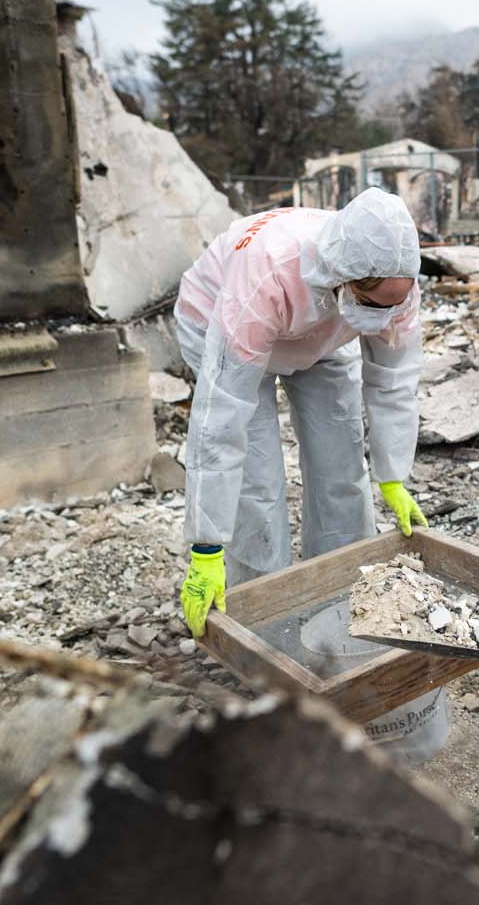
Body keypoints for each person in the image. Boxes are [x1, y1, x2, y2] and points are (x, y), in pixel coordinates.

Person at [173, 188, 429, 634]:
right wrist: (206, 545)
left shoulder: (395, 282)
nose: (385, 315)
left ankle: (344, 598)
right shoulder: (268, 274)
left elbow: (394, 381)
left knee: (341, 459)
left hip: (322, 331)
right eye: (374, 306)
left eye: (396, 304)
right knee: (256, 481)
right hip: (222, 318)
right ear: (344, 278)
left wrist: (392, 474)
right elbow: (220, 418)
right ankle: (263, 618)